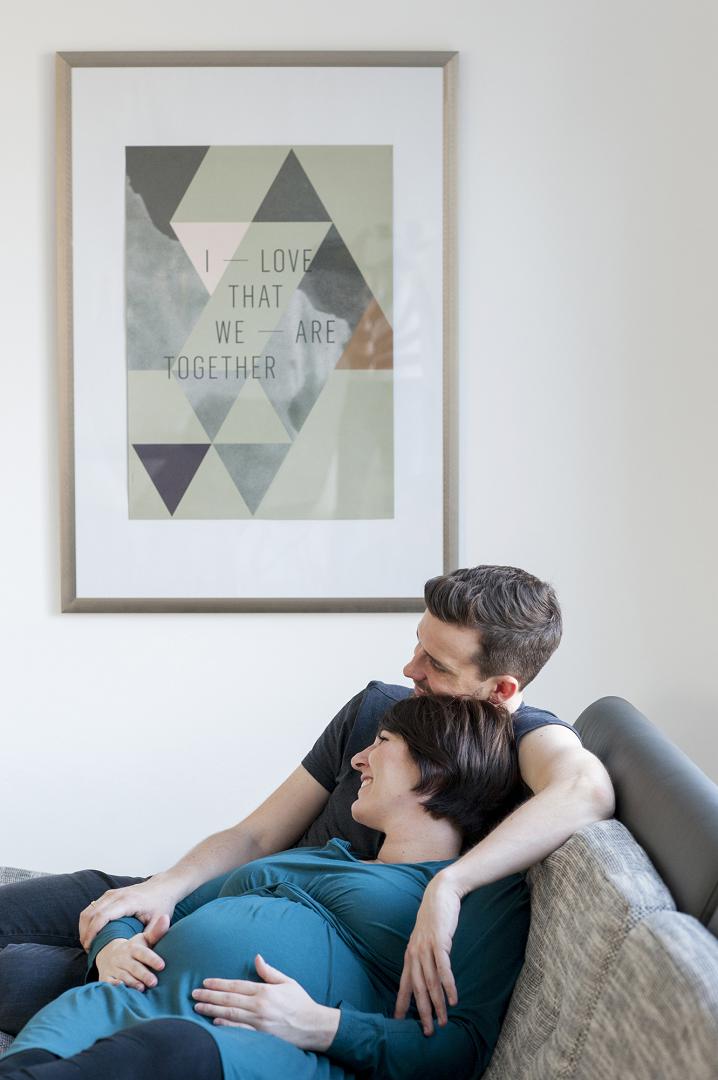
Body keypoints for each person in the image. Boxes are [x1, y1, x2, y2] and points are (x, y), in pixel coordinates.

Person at [0, 565, 614, 1037]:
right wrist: (164, 887)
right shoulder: (377, 710)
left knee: (23, 972)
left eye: (436, 663)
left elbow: (586, 788)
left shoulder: (520, 747)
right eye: (416, 645)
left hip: (225, 966)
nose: (410, 668)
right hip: (204, 898)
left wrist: (448, 885)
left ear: (501, 689)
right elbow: (256, 836)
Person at [0, 696, 530, 1080]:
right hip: (120, 1002)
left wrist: (322, 1026)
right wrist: (112, 945)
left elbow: (464, 1046)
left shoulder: (479, 894)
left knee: (171, 1047)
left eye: (382, 743)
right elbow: (153, 908)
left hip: (263, 1047)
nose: (358, 759)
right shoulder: (318, 856)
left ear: (437, 769)